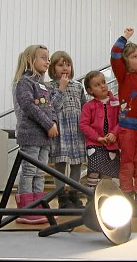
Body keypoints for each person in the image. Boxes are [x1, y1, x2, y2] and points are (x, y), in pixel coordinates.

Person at [110, 28, 137, 217]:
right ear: (126, 62)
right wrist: (124, 38)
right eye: (134, 56)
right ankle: (127, 198)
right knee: (127, 163)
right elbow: (114, 55)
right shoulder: (124, 77)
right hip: (127, 127)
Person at [12, 45, 58, 224]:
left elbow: (50, 107)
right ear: (31, 59)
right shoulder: (25, 82)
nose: (47, 61)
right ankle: (26, 208)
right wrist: (48, 124)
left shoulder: (43, 85)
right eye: (43, 57)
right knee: (29, 171)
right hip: (30, 135)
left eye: (48, 58)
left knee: (40, 172)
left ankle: (38, 204)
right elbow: (29, 106)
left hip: (44, 137)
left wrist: (53, 122)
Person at [48, 51, 87, 209]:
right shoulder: (49, 86)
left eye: (68, 64)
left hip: (76, 131)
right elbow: (52, 107)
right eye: (60, 65)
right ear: (53, 68)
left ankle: (74, 193)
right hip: (61, 131)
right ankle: (61, 196)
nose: (65, 68)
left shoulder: (78, 86)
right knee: (60, 164)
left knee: (77, 164)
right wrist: (61, 88)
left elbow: (84, 107)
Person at [80, 70, 120, 194]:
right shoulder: (88, 106)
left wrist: (114, 133)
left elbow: (122, 121)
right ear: (90, 90)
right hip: (95, 145)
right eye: (97, 85)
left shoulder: (116, 102)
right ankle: (91, 199)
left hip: (111, 145)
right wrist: (97, 138)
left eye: (103, 82)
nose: (102, 86)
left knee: (107, 174)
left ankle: (104, 198)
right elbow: (84, 125)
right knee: (93, 172)